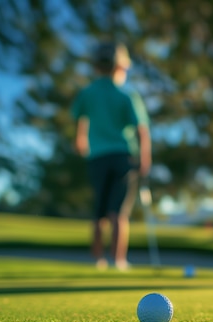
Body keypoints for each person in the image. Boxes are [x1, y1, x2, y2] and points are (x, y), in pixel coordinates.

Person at [72, 42, 151, 271]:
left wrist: (80, 140)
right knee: (118, 212)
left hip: (97, 156)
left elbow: (81, 120)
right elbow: (142, 130)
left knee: (99, 212)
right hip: (123, 156)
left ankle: (98, 261)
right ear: (121, 67)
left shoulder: (87, 93)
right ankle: (119, 261)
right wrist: (145, 158)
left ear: (97, 66)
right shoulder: (126, 95)